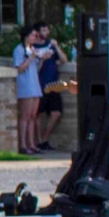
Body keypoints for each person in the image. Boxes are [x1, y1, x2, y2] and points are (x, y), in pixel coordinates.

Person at [30, 23, 70, 150]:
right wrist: (41, 59)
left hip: (53, 85)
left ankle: (45, 138)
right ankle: (40, 141)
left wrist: (56, 47)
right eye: (43, 30)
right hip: (39, 85)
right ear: (37, 32)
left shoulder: (50, 45)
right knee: (38, 114)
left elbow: (64, 60)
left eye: (47, 29)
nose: (46, 32)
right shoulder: (33, 47)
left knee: (56, 112)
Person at [13, 25, 48, 155]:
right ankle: (23, 144)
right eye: (33, 35)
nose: (35, 37)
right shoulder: (19, 49)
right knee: (25, 116)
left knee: (33, 116)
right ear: (26, 36)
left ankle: (32, 144)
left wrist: (42, 59)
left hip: (34, 84)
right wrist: (31, 57)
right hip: (25, 85)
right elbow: (20, 68)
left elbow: (36, 68)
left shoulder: (32, 49)